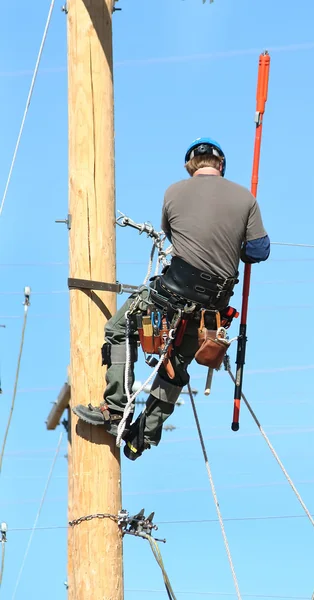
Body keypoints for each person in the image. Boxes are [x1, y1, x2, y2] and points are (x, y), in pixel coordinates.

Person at [73, 137, 270, 461]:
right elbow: (258, 251)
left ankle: (116, 408)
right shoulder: (245, 198)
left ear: (189, 166)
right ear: (220, 166)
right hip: (212, 308)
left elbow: (174, 236)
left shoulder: (173, 192)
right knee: (174, 365)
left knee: (120, 330)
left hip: (172, 294)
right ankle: (143, 435)